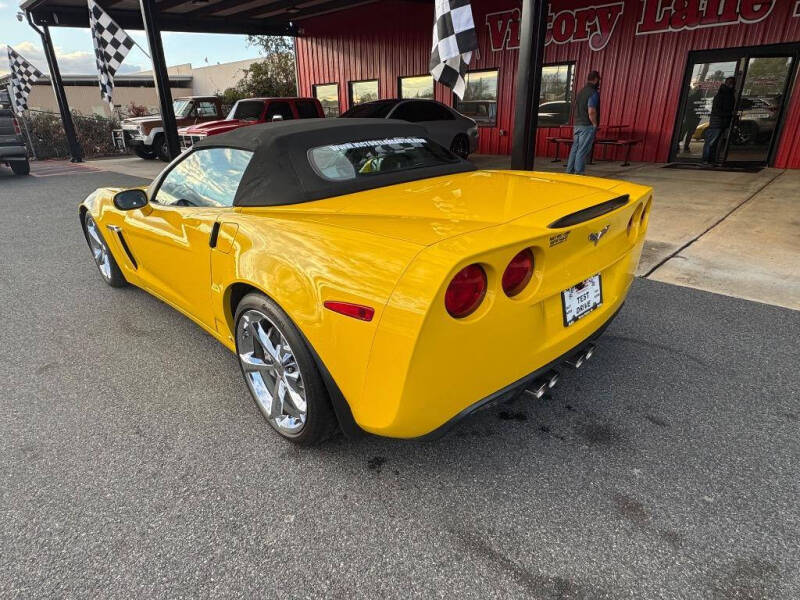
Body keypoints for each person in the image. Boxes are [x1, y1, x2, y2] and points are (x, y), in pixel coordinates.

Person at [566, 71, 601, 175]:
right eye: (599, 80)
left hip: (577, 124)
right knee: (582, 149)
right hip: (587, 125)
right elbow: (591, 110)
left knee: (575, 148)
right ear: (595, 79)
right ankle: (579, 172)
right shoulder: (593, 92)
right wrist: (594, 124)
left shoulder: (581, 92)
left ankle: (569, 171)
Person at [702, 76, 736, 165]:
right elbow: (717, 110)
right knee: (711, 142)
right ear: (727, 83)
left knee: (716, 143)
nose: (732, 85)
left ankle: (711, 160)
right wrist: (730, 114)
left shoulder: (729, 95)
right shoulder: (722, 95)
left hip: (722, 122)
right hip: (717, 122)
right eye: (730, 83)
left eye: (732, 83)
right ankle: (706, 160)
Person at [678, 83, 702, 153]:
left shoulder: (693, 98)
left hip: (691, 118)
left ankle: (680, 145)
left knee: (685, 132)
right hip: (691, 118)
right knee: (687, 133)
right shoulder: (695, 98)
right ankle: (684, 146)